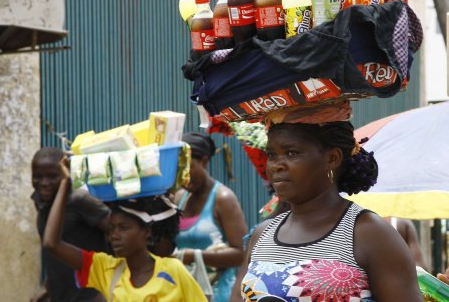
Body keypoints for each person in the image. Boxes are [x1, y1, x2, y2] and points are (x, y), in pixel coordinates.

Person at [232, 120, 423, 301]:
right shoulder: (262, 234)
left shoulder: (370, 233)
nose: (276, 166)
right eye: (272, 155)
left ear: (332, 158)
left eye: (291, 153)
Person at [43, 156, 206, 301]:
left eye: (123, 228)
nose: (114, 235)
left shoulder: (173, 271)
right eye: (112, 228)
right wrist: (65, 183)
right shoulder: (106, 268)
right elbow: (52, 243)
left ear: (147, 231)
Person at [30, 147, 111, 302]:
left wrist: (105, 292)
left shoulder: (80, 201)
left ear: (65, 174)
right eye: (38, 177)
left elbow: (118, 236)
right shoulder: (42, 204)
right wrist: (47, 287)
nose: (44, 183)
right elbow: (55, 256)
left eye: (52, 176)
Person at [174, 132, 247, 302]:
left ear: (204, 161)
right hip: (184, 295)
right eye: (178, 169)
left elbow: (242, 253)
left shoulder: (223, 198)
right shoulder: (178, 198)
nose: (183, 176)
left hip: (218, 295)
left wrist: (193, 255)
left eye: (188, 167)